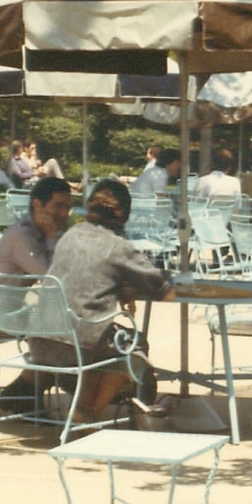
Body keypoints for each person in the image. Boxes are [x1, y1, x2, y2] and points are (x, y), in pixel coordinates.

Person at [45, 180, 175, 420]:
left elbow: (87, 275)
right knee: (134, 344)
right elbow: (164, 291)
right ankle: (88, 412)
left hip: (42, 339)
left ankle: (89, 401)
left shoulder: (70, 235)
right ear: (125, 215)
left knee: (104, 336)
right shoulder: (118, 246)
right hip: (79, 347)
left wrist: (118, 286)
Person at [0, 175, 72, 398]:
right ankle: (24, 395)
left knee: (66, 329)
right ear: (37, 205)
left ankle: (24, 393)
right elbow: (50, 277)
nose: (64, 213)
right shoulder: (23, 236)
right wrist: (53, 237)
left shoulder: (35, 233)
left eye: (68, 207)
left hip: (4, 313)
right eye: (58, 206)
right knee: (67, 333)